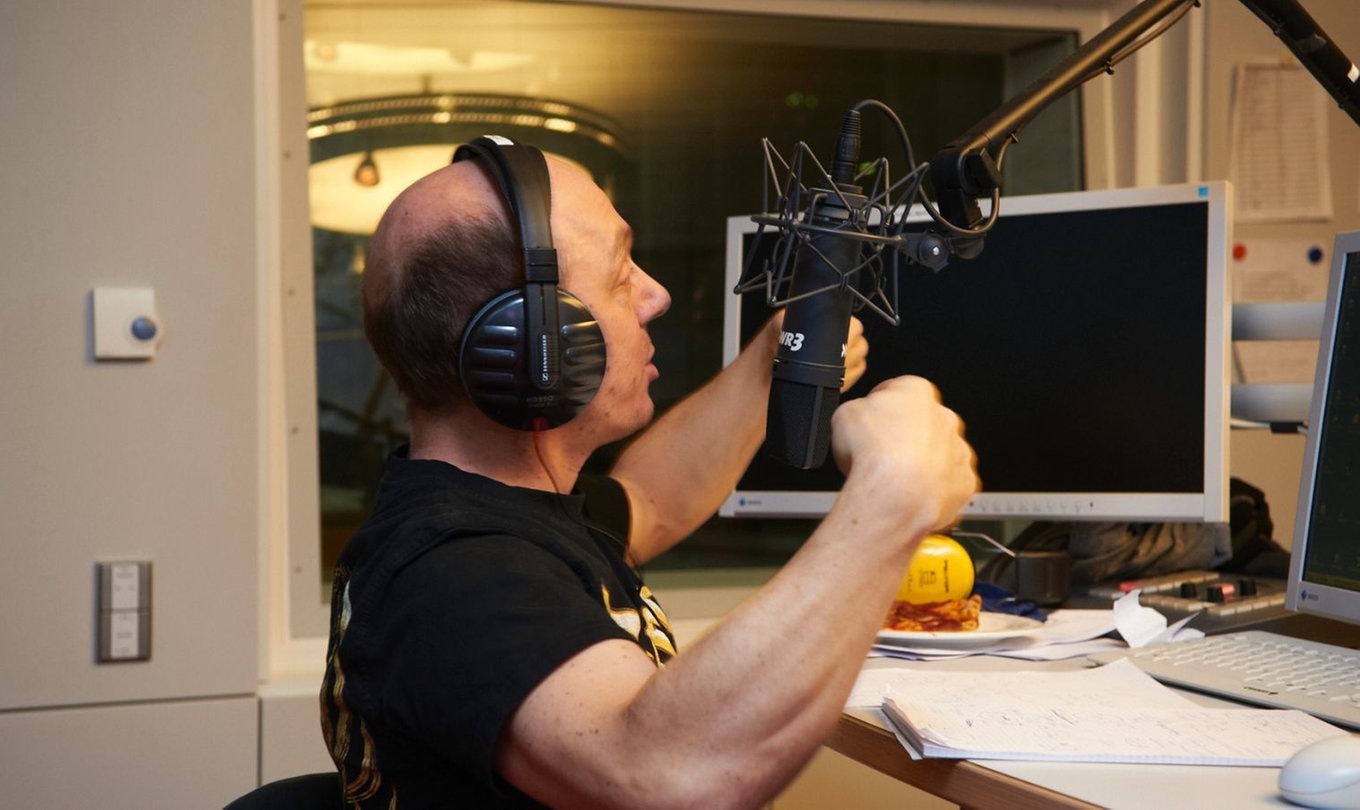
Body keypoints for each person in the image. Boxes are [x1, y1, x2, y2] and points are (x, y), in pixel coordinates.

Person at [320, 137, 979, 809]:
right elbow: (669, 775)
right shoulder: (452, 576)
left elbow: (651, 499)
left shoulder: (510, 510)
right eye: (618, 274)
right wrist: (894, 498)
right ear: (533, 343)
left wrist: (768, 363)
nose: (656, 295)